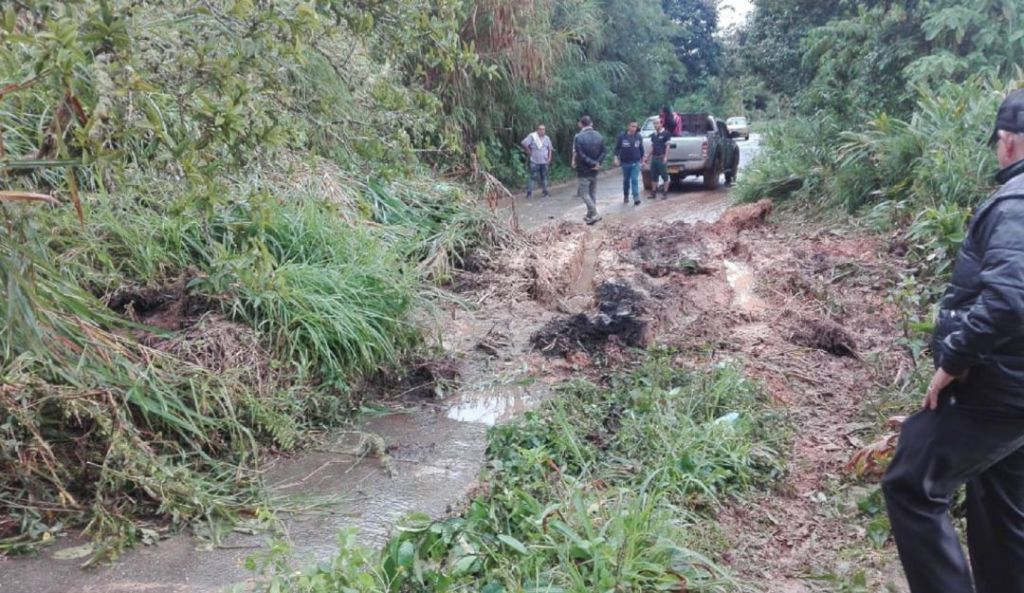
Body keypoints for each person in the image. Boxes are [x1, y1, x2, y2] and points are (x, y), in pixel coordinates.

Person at [882, 88, 1024, 593]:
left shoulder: (1016, 202)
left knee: (910, 482)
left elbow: (1009, 299)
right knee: (1001, 506)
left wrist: (955, 358)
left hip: (999, 388)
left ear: (1007, 142)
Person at [571, 115, 605, 225]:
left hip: (584, 169)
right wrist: (597, 163)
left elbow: (580, 155)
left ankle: (594, 213)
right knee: (592, 192)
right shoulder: (599, 135)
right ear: (591, 123)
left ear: (581, 124)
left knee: (584, 193)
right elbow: (604, 152)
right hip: (595, 169)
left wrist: (592, 163)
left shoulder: (579, 137)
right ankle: (590, 215)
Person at [614, 121, 644, 205]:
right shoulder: (622, 137)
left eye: (635, 127)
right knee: (626, 180)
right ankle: (626, 195)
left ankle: (636, 198)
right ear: (628, 126)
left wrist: (643, 159)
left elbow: (641, 149)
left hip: (636, 162)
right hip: (625, 162)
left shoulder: (639, 137)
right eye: (632, 126)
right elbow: (617, 149)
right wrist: (616, 158)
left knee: (634, 180)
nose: (634, 128)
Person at [521, 124, 553, 198]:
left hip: (544, 161)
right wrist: (528, 151)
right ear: (537, 130)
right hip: (535, 161)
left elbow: (549, 148)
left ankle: (545, 192)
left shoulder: (547, 138)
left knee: (544, 177)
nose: (542, 131)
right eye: (540, 129)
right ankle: (529, 193)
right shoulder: (532, 136)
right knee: (533, 177)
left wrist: (549, 157)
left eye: (543, 129)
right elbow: (524, 143)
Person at [645, 119, 672, 199]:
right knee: (653, 176)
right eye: (654, 124)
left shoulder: (666, 134)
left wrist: (666, 157)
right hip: (654, 158)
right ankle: (653, 193)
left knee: (665, 176)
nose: (655, 125)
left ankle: (665, 193)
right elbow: (652, 147)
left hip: (661, 157)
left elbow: (668, 146)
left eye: (657, 123)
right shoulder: (653, 135)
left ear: (661, 124)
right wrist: (648, 157)